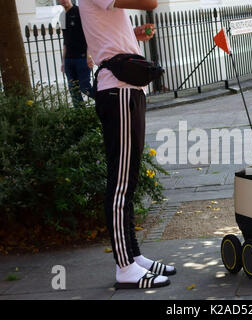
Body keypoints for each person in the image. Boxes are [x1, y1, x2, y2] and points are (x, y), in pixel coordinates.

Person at [79, 0, 175, 289]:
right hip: (118, 91)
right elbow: (151, 3)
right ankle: (125, 268)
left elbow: (104, 35)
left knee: (128, 180)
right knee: (121, 183)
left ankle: (133, 256)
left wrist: (133, 33)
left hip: (127, 90)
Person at [58, 0, 93, 107]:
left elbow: (89, 34)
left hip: (82, 58)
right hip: (69, 59)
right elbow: (65, 40)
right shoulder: (62, 16)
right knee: (73, 91)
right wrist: (63, 61)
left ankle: (106, 102)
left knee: (85, 87)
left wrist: (89, 55)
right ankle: (81, 115)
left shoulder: (80, 11)